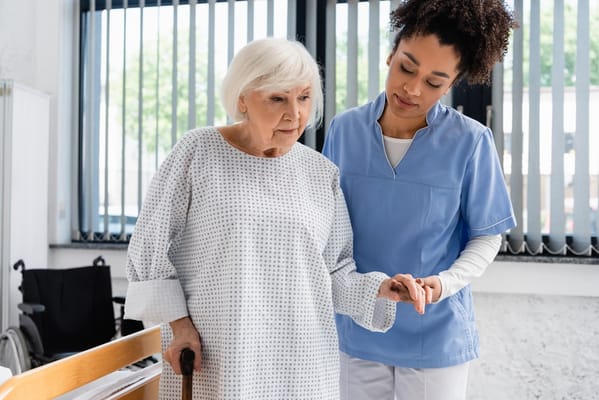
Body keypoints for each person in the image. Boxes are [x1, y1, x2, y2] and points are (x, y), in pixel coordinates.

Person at [124, 37, 427, 400]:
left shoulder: (321, 173)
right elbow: (148, 249)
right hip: (220, 357)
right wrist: (180, 326)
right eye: (277, 98)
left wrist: (380, 288)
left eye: (303, 97)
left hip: (304, 362)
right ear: (243, 99)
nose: (295, 114)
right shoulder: (198, 152)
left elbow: (332, 273)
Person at [322, 1, 518, 399]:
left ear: (453, 83)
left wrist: (443, 285)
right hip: (359, 324)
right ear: (391, 55)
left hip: (436, 328)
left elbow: (486, 235)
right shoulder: (344, 131)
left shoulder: (471, 142)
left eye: (434, 82)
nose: (412, 89)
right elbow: (326, 228)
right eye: (406, 67)